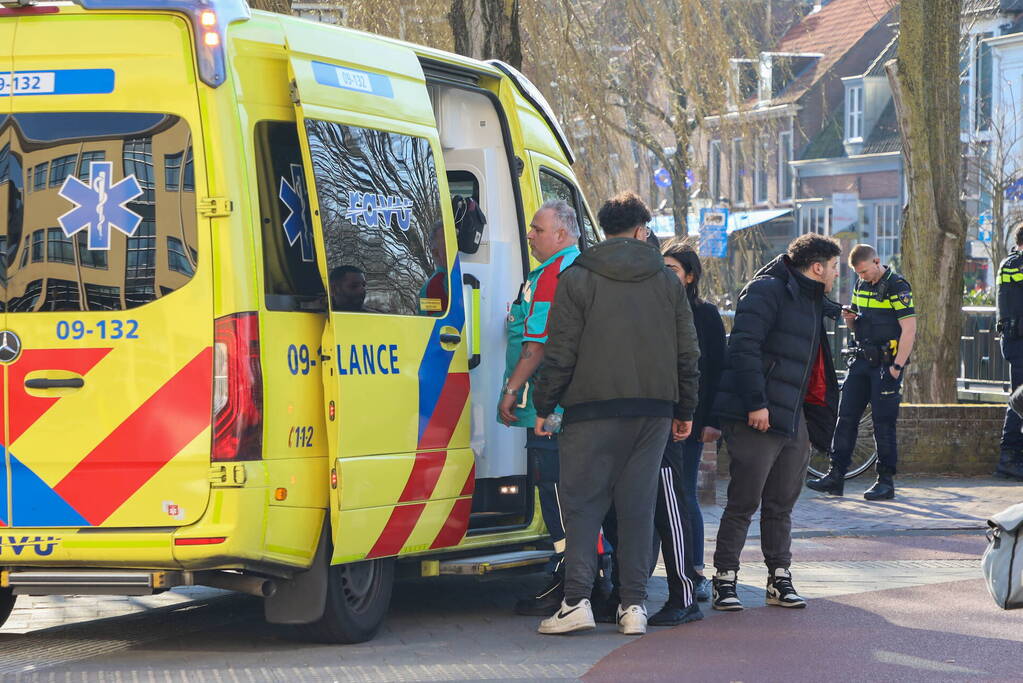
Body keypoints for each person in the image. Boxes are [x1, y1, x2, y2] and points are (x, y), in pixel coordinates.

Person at [532, 191, 700, 636]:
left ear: (602, 229)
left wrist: (545, 405)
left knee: (583, 507)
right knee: (638, 508)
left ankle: (576, 603)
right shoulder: (666, 281)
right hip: (653, 411)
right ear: (642, 230)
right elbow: (687, 351)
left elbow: (560, 350)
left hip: (590, 409)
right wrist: (685, 408)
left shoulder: (577, 276)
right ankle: (634, 607)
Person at [711, 234, 840, 613]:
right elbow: (743, 347)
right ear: (817, 268)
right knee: (743, 501)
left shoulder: (812, 300)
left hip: (793, 415)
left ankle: (779, 579)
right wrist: (756, 403)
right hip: (758, 414)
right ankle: (724, 579)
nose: (837, 274)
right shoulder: (766, 291)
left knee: (782, 503)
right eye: (835, 268)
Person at [497, 199, 582, 615]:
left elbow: (537, 347)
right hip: (572, 405)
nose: (529, 235)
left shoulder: (553, 275)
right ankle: (586, 578)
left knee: (555, 493)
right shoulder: (578, 268)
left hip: (551, 406)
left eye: (537, 229)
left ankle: (569, 582)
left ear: (561, 234)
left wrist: (511, 390)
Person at [647, 239, 726, 622]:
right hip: (658, 417)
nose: (666, 275)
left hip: (691, 420)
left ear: (690, 276)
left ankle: (695, 570)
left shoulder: (705, 314)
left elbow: (717, 371)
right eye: (662, 268)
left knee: (685, 495)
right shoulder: (653, 309)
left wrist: (711, 420)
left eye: (673, 269)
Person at [807, 244, 916, 500]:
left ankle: (885, 481)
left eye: (865, 271)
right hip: (861, 361)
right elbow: (857, 322)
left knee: (883, 423)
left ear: (877, 261)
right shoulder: (861, 284)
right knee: (845, 418)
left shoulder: (897, 286)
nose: (862, 276)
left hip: (886, 365)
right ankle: (836, 476)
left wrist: (897, 367)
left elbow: (909, 329)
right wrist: (849, 319)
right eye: (858, 273)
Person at [994, 225, 1023, 481]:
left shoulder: (1010, 264)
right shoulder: (1015, 265)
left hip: (1014, 340)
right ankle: (1009, 457)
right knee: (1019, 398)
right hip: (1018, 341)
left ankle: (1012, 455)